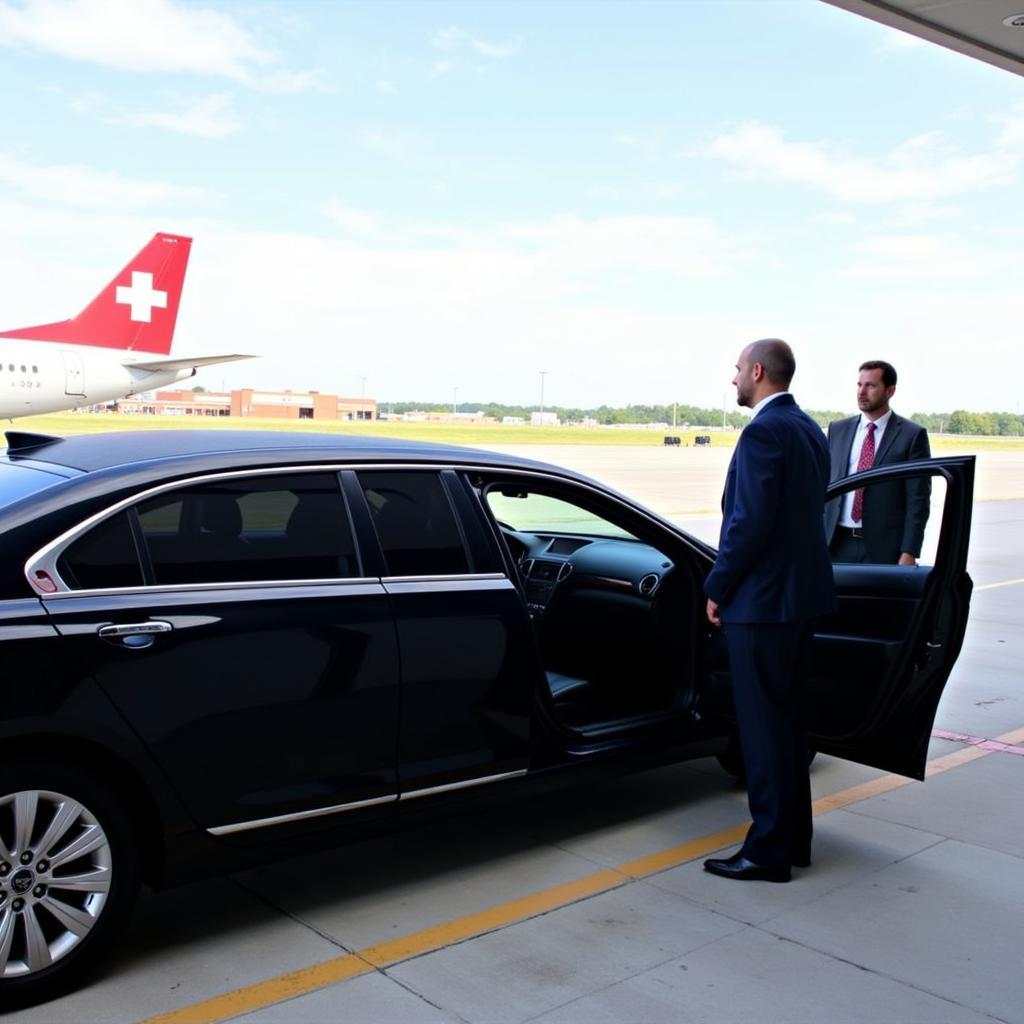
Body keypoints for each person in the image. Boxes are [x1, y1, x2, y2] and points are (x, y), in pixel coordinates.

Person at [704, 339, 836, 883]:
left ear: (757, 371)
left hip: (760, 604)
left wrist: (718, 584)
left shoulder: (763, 431)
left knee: (762, 731)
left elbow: (749, 523)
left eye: (737, 369)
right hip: (800, 600)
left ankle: (766, 852)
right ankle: (793, 839)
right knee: (786, 727)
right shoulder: (808, 429)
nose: (732, 378)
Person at [824, 361, 931, 566]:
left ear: (890, 391)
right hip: (835, 543)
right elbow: (825, 486)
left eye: (871, 386)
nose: (862, 392)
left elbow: (918, 499)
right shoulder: (838, 429)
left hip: (884, 549)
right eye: (859, 385)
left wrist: (909, 552)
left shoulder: (911, 435)